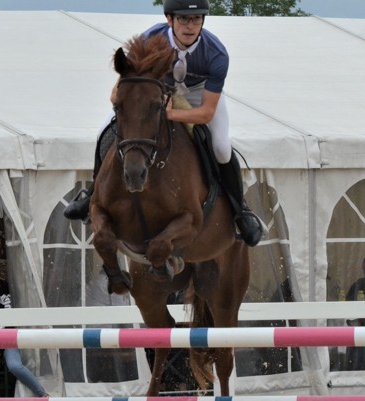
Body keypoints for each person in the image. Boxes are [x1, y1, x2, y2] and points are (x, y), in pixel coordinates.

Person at [64, 0, 263, 247]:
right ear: (169, 19)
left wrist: (169, 115)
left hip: (198, 96)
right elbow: (117, 95)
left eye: (196, 19)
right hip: (156, 94)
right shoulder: (149, 40)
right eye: (183, 19)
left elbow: (206, 113)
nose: (190, 26)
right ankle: (92, 195)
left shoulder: (216, 54)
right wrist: (149, 106)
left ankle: (240, 210)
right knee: (103, 133)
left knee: (221, 147)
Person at [0, 260, 48, 398]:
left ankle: (43, 395)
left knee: (14, 366)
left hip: (6, 337)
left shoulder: (6, 290)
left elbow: (10, 323)